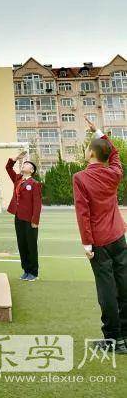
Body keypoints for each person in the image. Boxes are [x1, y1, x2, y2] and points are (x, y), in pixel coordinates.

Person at [73, 116, 127, 354]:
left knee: (106, 290)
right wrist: (99, 133)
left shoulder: (81, 177)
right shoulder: (114, 172)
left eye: (88, 147)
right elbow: (114, 154)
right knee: (123, 285)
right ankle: (125, 336)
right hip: (118, 236)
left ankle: (113, 339)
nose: (86, 150)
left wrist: (87, 243)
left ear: (92, 154)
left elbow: (83, 212)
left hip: (99, 241)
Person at [5, 150, 42, 282]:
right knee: (21, 244)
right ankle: (26, 270)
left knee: (31, 245)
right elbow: (8, 168)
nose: (23, 165)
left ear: (31, 170)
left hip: (30, 219)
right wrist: (16, 158)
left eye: (26, 164)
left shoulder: (34, 184)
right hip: (18, 217)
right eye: (24, 163)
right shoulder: (18, 179)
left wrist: (35, 220)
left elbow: (37, 204)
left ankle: (34, 272)